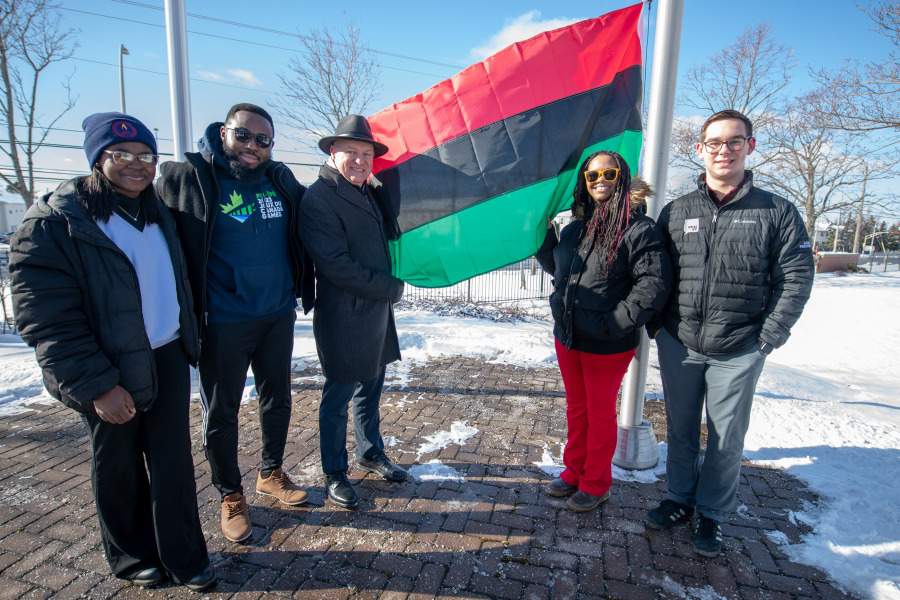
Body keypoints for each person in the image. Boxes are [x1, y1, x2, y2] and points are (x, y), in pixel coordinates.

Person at [9, 112, 216, 591]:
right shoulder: (54, 223)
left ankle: (185, 556)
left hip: (165, 354)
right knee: (118, 466)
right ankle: (131, 556)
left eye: (146, 156)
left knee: (173, 465)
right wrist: (98, 385)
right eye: (122, 155)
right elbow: (45, 320)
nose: (137, 165)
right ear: (97, 158)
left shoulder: (157, 209)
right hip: (106, 366)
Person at [645, 110, 814, 557]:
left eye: (734, 142)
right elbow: (656, 274)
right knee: (680, 429)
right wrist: (657, 326)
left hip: (739, 347)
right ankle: (679, 499)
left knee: (724, 437)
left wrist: (769, 336)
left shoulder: (777, 211)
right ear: (700, 149)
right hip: (680, 342)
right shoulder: (677, 211)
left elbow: (796, 278)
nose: (724, 150)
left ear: (750, 146)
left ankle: (713, 514)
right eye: (714, 143)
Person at [157, 103, 314, 543]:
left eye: (262, 141)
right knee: (222, 413)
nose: (252, 147)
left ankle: (271, 472)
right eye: (244, 136)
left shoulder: (280, 180)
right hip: (223, 320)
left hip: (277, 314)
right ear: (224, 132)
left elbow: (315, 214)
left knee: (277, 400)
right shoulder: (192, 179)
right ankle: (231, 495)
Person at [535, 151, 672, 512]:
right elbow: (559, 267)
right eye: (591, 175)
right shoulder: (576, 227)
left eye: (608, 173)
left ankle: (596, 483)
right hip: (568, 335)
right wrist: (545, 238)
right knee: (577, 409)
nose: (600, 180)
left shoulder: (639, 228)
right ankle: (573, 471)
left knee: (599, 413)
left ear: (622, 177)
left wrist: (615, 324)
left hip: (607, 343)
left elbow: (653, 285)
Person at [298, 115, 407, 509]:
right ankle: (334, 472)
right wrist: (391, 288)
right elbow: (336, 265)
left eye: (367, 154)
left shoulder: (366, 190)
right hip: (345, 315)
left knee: (371, 388)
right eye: (352, 153)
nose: (361, 161)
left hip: (374, 313)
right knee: (339, 394)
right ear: (333, 151)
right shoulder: (319, 198)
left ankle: (370, 452)